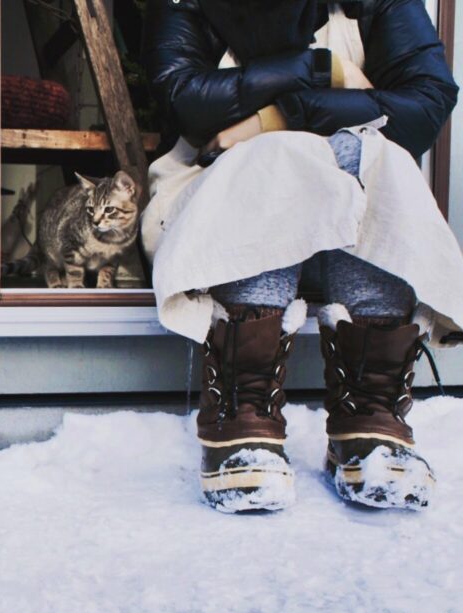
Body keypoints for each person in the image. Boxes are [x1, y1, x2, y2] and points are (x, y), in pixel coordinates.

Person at [140, 0, 461, 512]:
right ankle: (243, 410)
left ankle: (369, 415)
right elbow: (190, 103)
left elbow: (423, 109)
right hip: (214, 214)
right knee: (280, 157)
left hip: (350, 231)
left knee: (374, 156)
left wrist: (282, 113)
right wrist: (321, 68)